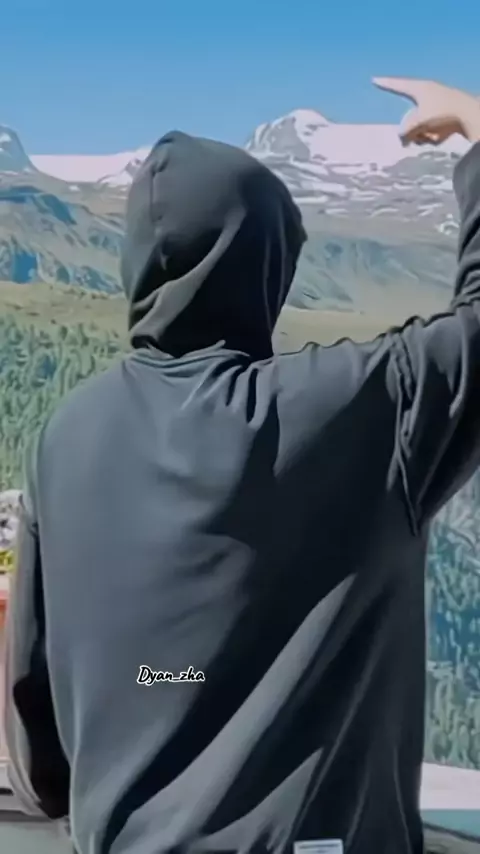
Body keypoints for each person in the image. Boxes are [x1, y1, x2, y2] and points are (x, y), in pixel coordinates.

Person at [4, 77, 480, 854]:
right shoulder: (352, 407)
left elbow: (36, 712)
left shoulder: (64, 435)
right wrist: (477, 127)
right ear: (269, 264)